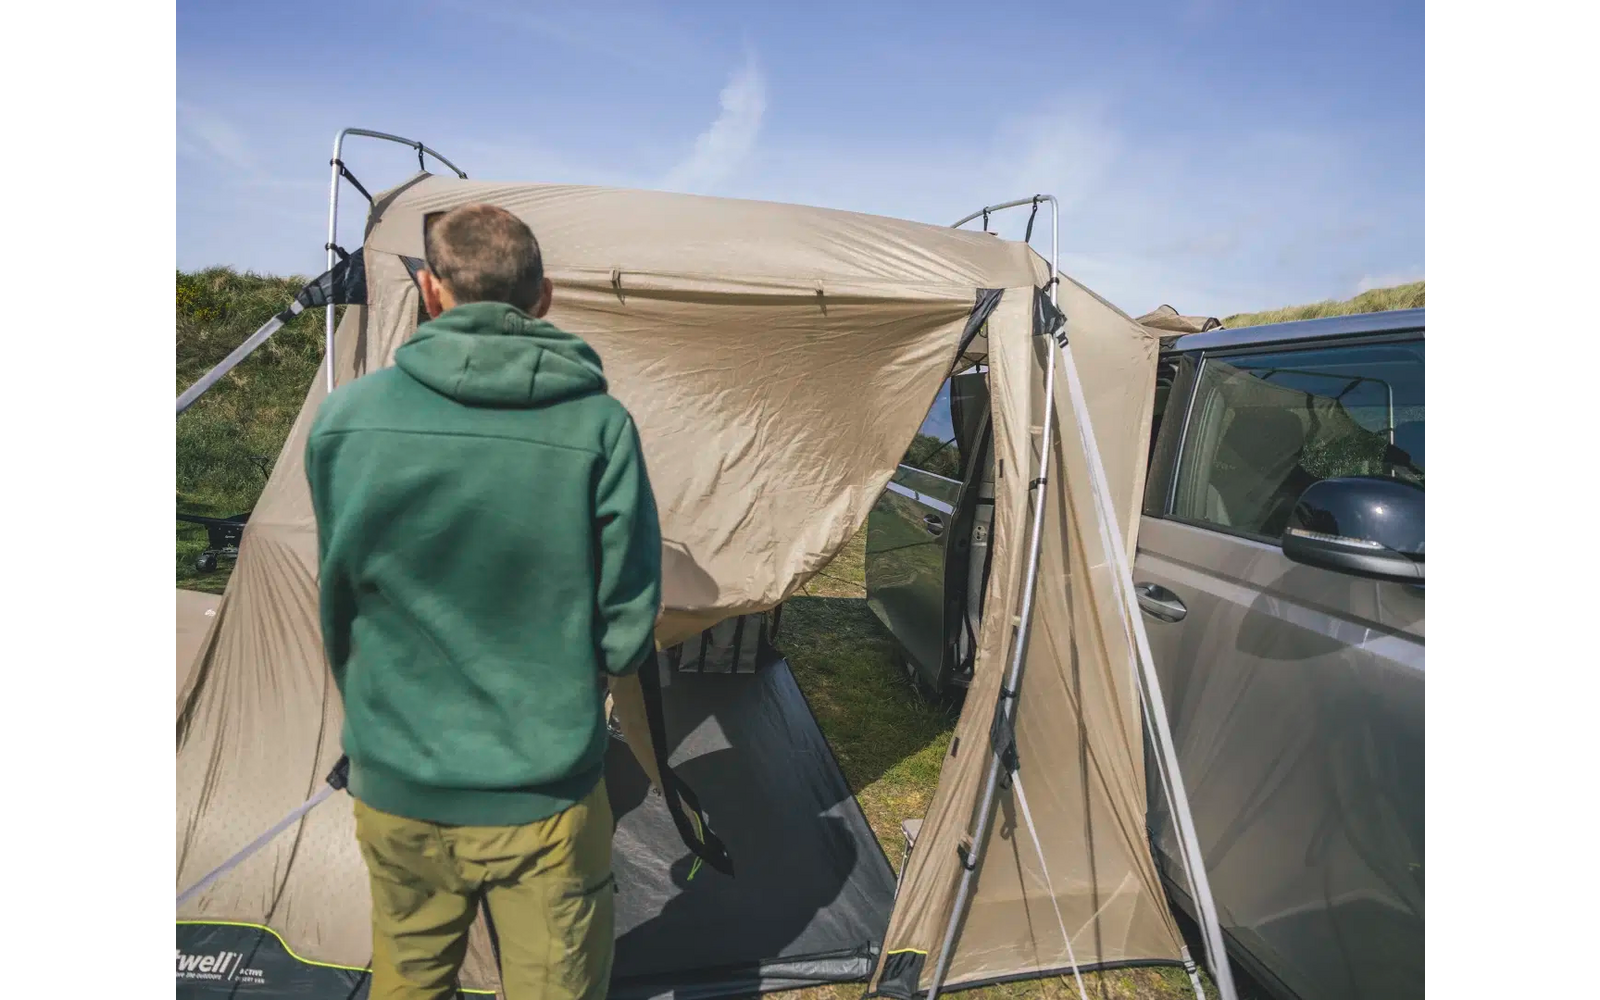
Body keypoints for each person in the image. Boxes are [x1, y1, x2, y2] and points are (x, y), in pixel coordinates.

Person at [304, 203, 662, 1000]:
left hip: (395, 779)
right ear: (545, 296)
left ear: (432, 291)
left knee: (410, 980)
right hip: (544, 792)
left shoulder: (347, 422)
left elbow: (340, 597)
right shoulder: (601, 428)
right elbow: (629, 627)